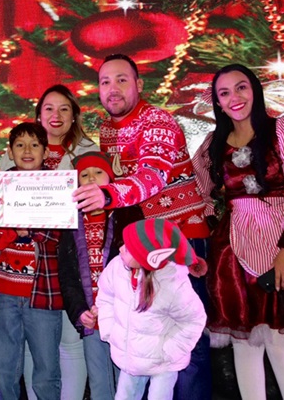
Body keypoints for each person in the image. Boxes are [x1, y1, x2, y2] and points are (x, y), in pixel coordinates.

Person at [73, 54, 212, 399]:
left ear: (139, 84)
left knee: (185, 343)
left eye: (121, 80)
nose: (112, 88)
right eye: (105, 82)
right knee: (147, 339)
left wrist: (107, 194)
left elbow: (152, 176)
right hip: (140, 250)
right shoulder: (108, 130)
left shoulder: (157, 121)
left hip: (179, 241)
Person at [192, 63, 284, 400]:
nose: (234, 97)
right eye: (224, 93)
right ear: (217, 102)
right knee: (245, 344)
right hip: (235, 247)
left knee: (281, 342)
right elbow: (195, 189)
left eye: (241, 87)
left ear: (254, 88)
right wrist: (212, 221)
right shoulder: (213, 144)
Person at [0, 84, 97, 399]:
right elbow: (1, 215)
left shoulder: (87, 152)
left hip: (68, 263)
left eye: (64, 108)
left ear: (74, 115)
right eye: (49, 108)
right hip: (25, 277)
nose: (56, 115)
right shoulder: (13, 157)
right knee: (29, 349)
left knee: (68, 341)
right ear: (39, 114)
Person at [0, 122, 63, 400]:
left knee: (46, 371)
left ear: (46, 152)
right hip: (5, 292)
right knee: (4, 369)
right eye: (20, 145)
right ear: (10, 151)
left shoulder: (58, 186)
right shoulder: (0, 186)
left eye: (34, 145)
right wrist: (8, 230)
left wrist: (31, 230)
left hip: (42, 293)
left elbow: (63, 236)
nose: (27, 151)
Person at [96, 219, 206, 400]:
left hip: (162, 363)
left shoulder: (173, 284)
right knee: (124, 396)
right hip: (130, 355)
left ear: (146, 258)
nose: (121, 249)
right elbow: (106, 296)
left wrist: (168, 351)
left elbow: (193, 320)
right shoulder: (117, 267)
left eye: (129, 248)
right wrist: (109, 330)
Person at [58, 151, 119, 400]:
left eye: (98, 172)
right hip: (91, 320)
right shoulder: (70, 223)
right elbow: (66, 275)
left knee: (128, 381)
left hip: (123, 319)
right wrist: (79, 311)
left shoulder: (126, 218)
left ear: (111, 179)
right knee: (99, 382)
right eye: (84, 175)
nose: (91, 178)